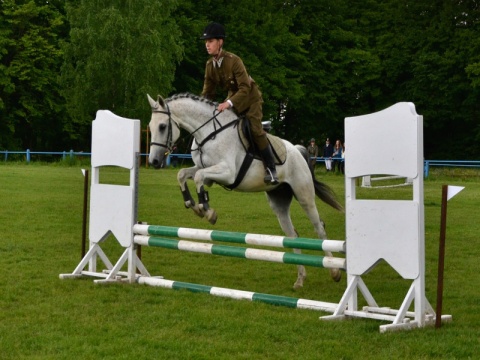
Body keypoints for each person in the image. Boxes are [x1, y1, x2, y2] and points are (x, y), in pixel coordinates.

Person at [200, 22, 279, 184]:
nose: (207, 45)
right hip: (234, 99)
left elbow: (245, 87)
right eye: (206, 42)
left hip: (251, 99)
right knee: (221, 126)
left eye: (211, 41)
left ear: (220, 42)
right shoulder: (209, 65)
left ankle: (271, 169)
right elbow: (207, 93)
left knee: (255, 130)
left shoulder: (234, 61)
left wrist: (228, 103)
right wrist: (201, 110)